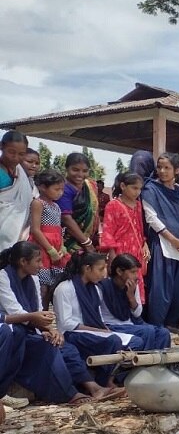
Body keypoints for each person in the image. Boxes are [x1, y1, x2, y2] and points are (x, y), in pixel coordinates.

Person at [0, 241, 123, 404]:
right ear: (23, 262)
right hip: (18, 333)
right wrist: (40, 322)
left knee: (67, 349)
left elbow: (38, 310)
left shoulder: (34, 279)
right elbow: (15, 312)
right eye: (37, 261)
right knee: (49, 347)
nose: (41, 265)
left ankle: (94, 388)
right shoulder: (3, 276)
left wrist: (50, 329)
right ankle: (69, 394)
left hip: (33, 329)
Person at [53, 250, 148, 388]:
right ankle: (106, 381)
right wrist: (98, 330)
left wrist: (103, 328)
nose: (104, 273)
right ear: (87, 268)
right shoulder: (64, 288)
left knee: (136, 341)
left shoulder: (96, 289)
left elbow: (97, 316)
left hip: (93, 331)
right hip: (72, 334)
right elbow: (66, 324)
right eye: (101, 269)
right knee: (112, 340)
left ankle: (115, 377)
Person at [142, 152, 179, 328]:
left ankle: (171, 324)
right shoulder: (151, 189)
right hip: (162, 243)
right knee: (160, 289)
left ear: (176, 170)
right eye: (159, 167)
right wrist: (172, 239)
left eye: (167, 168)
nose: (162, 171)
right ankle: (157, 325)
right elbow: (151, 218)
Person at [97, 253, 172, 350]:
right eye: (133, 272)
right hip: (112, 326)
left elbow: (137, 314)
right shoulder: (102, 287)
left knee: (163, 333)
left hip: (130, 324)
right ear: (119, 271)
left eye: (137, 272)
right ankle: (144, 362)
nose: (137, 276)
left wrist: (131, 296)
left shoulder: (132, 286)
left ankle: (160, 362)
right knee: (147, 331)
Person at [100, 172, 149, 299]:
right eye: (134, 188)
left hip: (136, 250)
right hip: (120, 251)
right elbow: (108, 232)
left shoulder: (138, 205)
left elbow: (140, 228)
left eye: (139, 189)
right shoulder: (113, 205)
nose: (137, 192)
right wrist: (112, 256)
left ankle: (135, 314)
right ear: (122, 186)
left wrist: (144, 244)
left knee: (135, 284)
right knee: (121, 282)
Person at [29, 169, 70, 306]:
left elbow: (58, 230)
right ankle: (37, 317)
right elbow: (35, 229)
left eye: (62, 189)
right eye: (56, 189)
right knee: (42, 287)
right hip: (42, 247)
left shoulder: (57, 207)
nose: (60, 193)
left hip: (56, 248)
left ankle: (45, 317)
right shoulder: (38, 203)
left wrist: (62, 247)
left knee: (52, 287)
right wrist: (50, 250)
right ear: (42, 187)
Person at [57, 152, 100, 254]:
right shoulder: (63, 189)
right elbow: (66, 219)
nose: (80, 174)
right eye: (75, 170)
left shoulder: (90, 186)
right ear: (67, 168)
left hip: (89, 239)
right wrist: (86, 243)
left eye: (85, 171)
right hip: (69, 242)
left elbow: (94, 213)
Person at [0, 131, 34, 253]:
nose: (15, 157)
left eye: (21, 154)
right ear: (1, 147)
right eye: (11, 152)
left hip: (18, 237)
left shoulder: (20, 173)